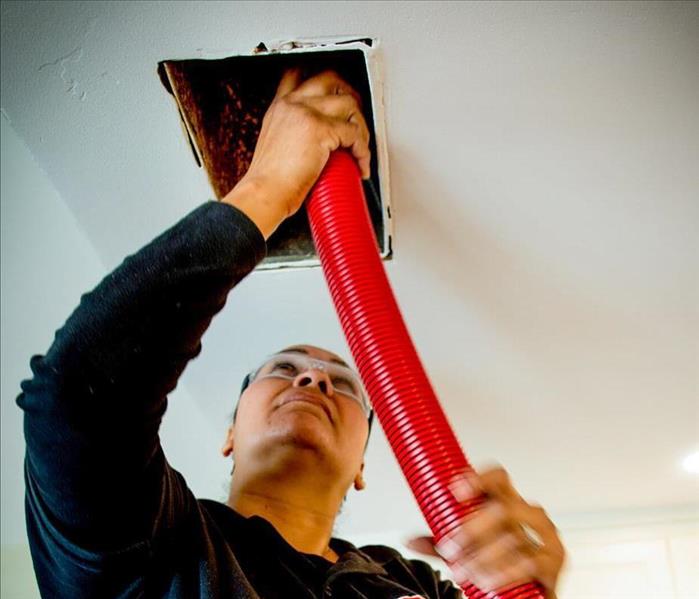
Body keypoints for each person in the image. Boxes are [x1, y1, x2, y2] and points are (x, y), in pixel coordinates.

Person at [17, 68, 565, 598]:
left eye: (344, 385)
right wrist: (268, 186)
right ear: (230, 433)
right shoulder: (151, 544)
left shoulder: (417, 586)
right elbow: (77, 400)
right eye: (284, 368)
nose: (313, 379)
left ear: (361, 467)